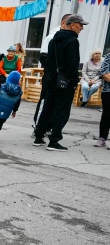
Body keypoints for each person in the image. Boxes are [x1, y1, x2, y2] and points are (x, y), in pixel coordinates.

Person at [33, 14, 87, 152]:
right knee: (61, 111)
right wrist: (74, 81)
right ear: (73, 24)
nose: (82, 28)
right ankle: (54, 140)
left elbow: (48, 60)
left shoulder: (54, 39)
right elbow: (72, 64)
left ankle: (39, 136)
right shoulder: (72, 41)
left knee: (48, 108)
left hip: (52, 79)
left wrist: (51, 75)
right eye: (80, 25)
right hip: (65, 81)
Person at [33, 13, 71, 135]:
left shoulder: (70, 38)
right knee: (45, 100)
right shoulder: (51, 37)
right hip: (51, 75)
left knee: (56, 102)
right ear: (63, 23)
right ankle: (37, 126)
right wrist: (54, 70)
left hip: (61, 77)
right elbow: (43, 57)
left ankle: (49, 126)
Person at [94, 53, 110, 148]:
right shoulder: (109, 56)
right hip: (108, 91)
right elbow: (104, 74)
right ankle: (102, 138)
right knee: (106, 115)